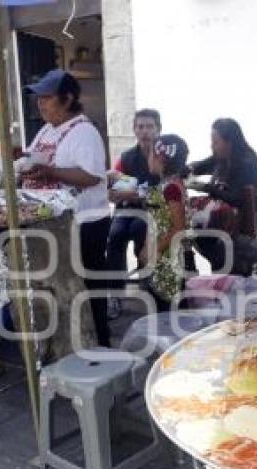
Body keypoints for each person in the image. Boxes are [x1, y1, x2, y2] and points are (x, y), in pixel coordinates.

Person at [21, 69, 112, 347]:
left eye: (47, 98)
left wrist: (51, 172)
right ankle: (73, 343)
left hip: (86, 223)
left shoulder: (84, 132)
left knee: (88, 288)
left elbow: (92, 176)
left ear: (67, 98)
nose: (40, 103)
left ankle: (100, 345)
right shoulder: (47, 129)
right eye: (39, 98)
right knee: (64, 287)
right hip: (56, 223)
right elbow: (31, 157)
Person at [105, 109, 162, 318]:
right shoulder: (127, 156)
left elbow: (159, 191)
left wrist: (130, 190)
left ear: (158, 129)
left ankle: (148, 283)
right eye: (140, 126)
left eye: (149, 126)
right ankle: (115, 294)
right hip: (126, 209)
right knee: (115, 236)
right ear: (134, 130)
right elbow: (112, 190)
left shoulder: (163, 156)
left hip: (153, 210)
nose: (145, 131)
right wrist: (130, 190)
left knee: (141, 230)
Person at [189, 118, 257, 272]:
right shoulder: (223, 157)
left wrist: (207, 188)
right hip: (223, 216)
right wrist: (186, 169)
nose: (212, 146)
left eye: (216, 142)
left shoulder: (247, 162)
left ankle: (221, 270)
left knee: (195, 232)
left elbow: (236, 198)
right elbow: (201, 165)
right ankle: (218, 268)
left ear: (229, 142)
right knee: (192, 225)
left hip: (238, 221)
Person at [141, 134, 190, 310]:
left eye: (150, 154)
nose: (148, 158)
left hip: (169, 259)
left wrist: (156, 249)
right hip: (162, 254)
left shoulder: (171, 189)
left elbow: (178, 227)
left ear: (159, 157)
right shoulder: (167, 185)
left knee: (168, 309)